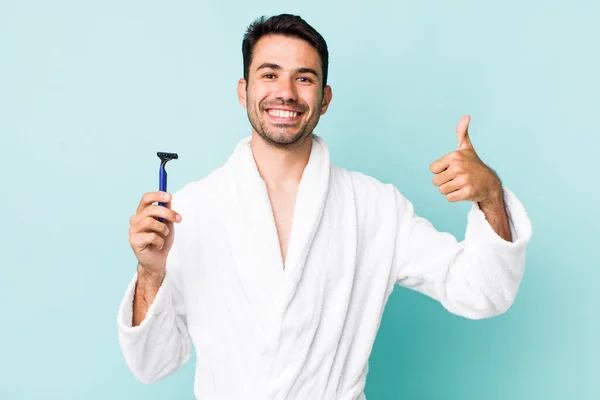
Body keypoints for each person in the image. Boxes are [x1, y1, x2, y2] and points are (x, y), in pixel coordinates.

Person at [117, 14, 532, 400]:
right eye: (269, 74)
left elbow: (482, 293)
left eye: (304, 78)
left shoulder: (374, 208)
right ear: (244, 90)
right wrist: (150, 273)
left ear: (325, 97)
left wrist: (490, 195)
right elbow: (154, 365)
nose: (285, 92)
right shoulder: (191, 210)